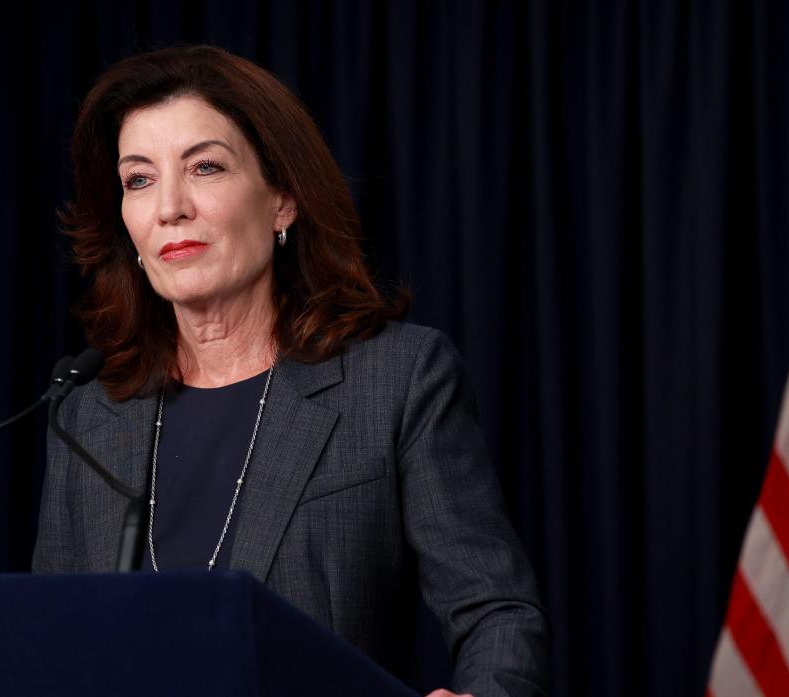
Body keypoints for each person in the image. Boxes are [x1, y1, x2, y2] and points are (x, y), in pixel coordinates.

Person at [32, 44, 548, 697]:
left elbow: (498, 613)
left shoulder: (396, 380)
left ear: (282, 199)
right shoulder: (90, 413)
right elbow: (51, 643)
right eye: (139, 179)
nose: (170, 207)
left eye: (206, 167)